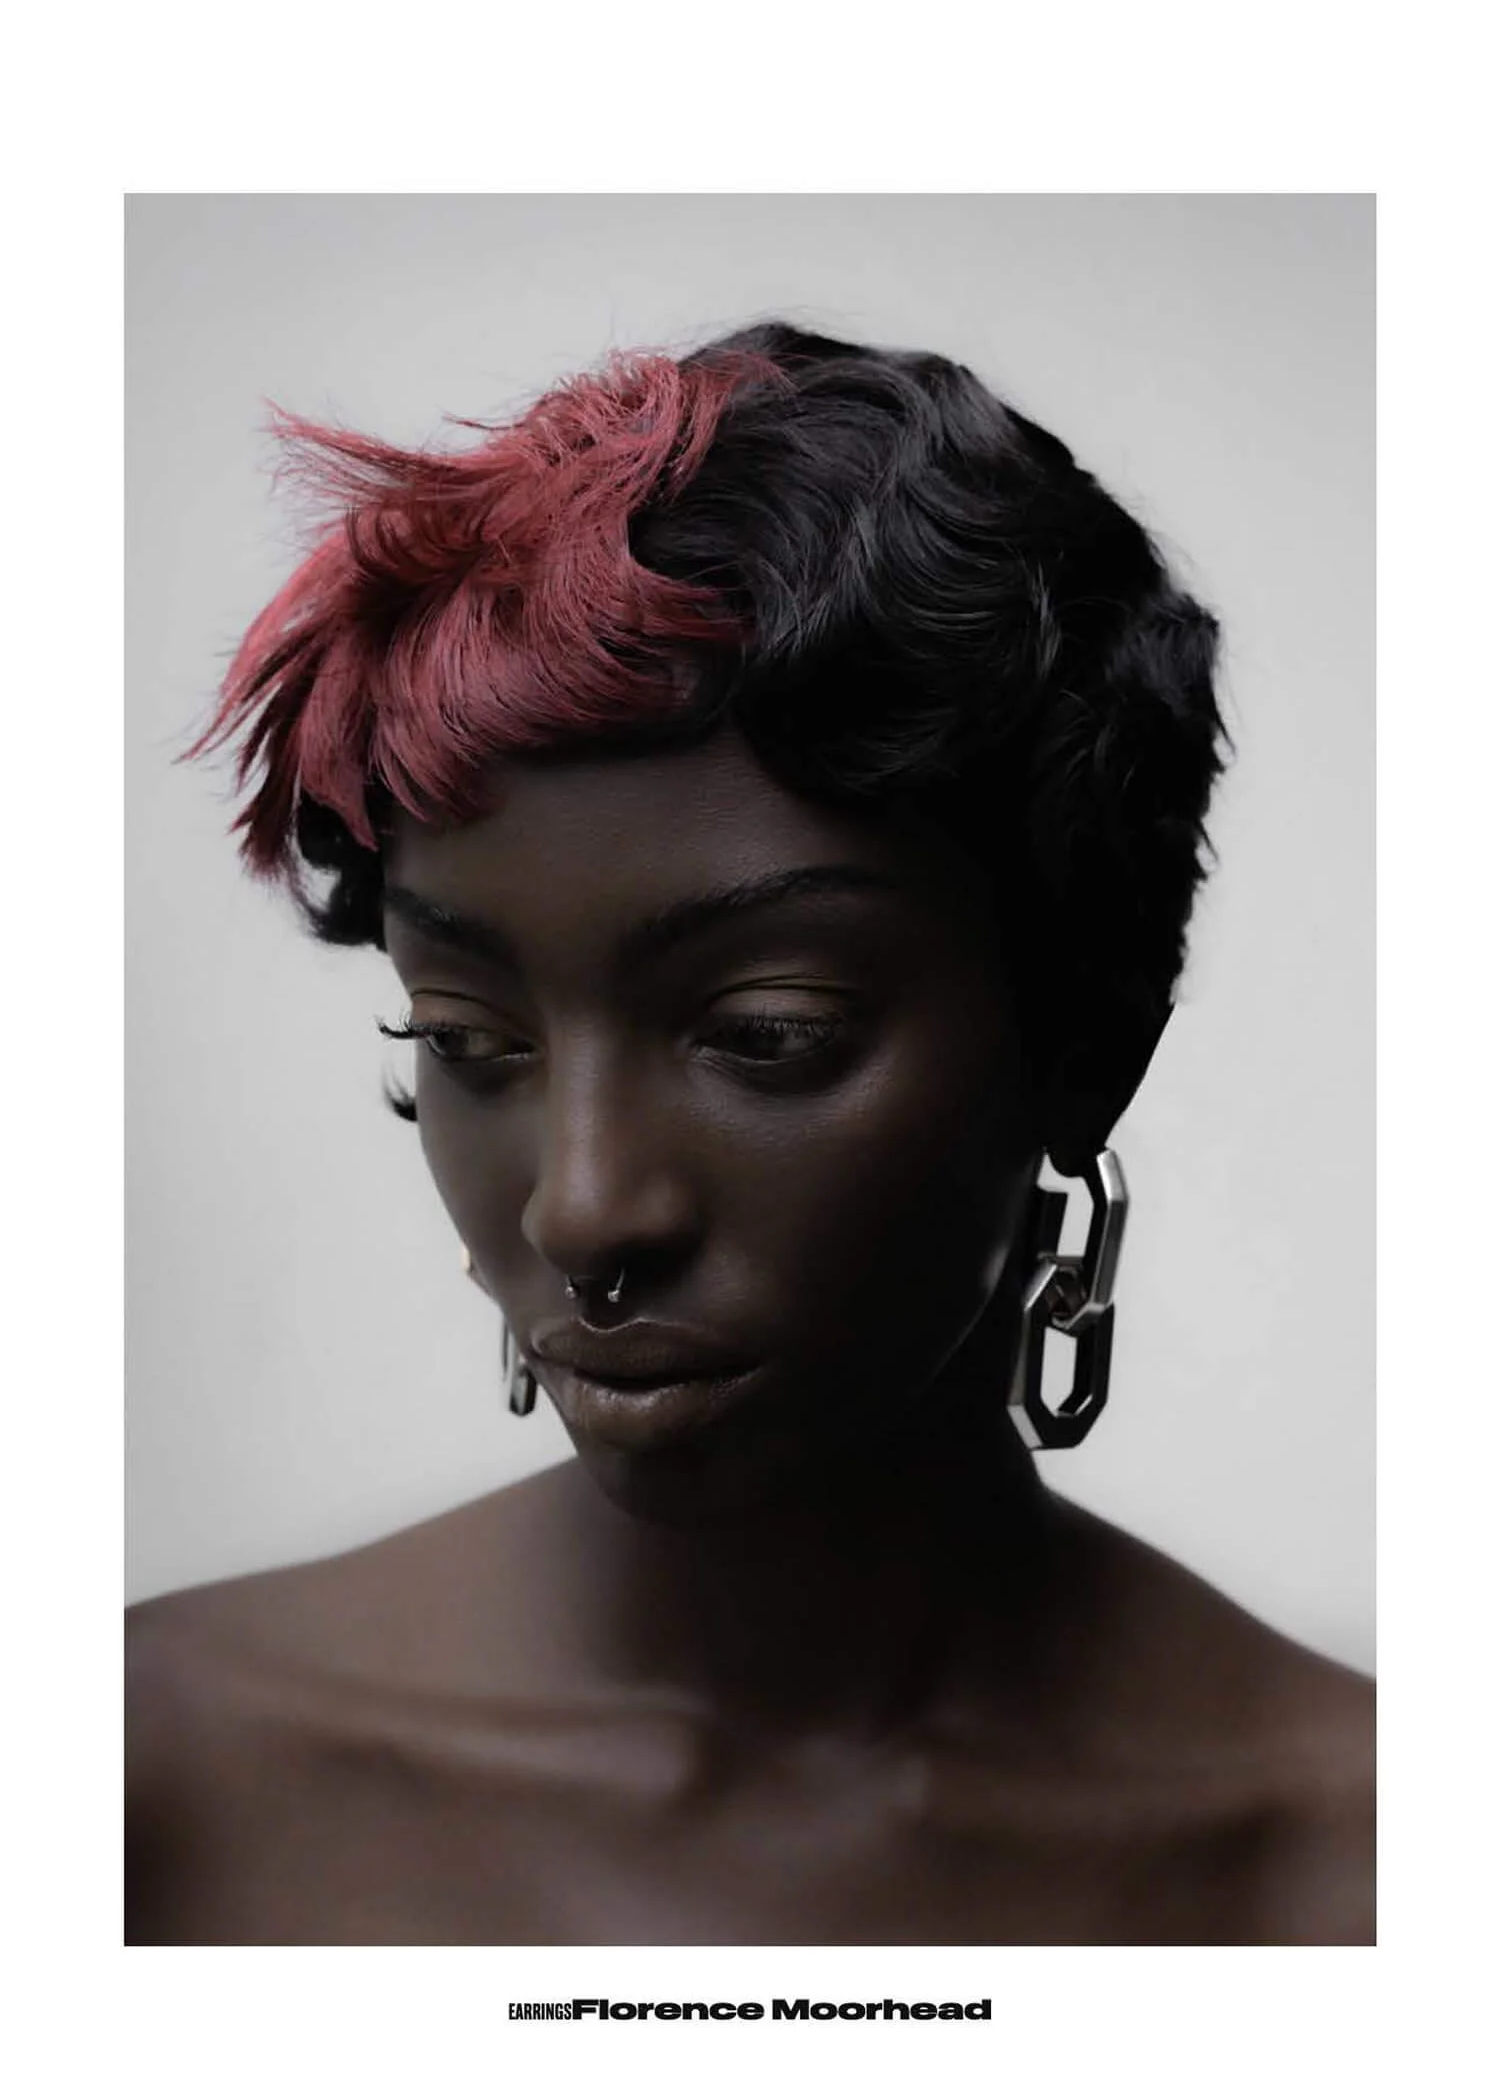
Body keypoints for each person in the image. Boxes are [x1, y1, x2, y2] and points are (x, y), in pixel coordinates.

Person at [125, 322, 1374, 1945]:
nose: (582, 1211)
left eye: (768, 1034)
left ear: (1090, 1038)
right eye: (467, 1041)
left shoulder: (1374, 1877)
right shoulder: (146, 1785)